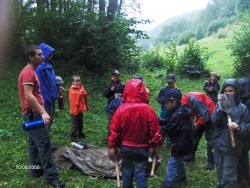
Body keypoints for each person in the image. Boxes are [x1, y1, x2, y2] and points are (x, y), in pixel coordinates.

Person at [18, 45, 65, 187]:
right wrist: (43, 111)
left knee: (33, 143)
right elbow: (28, 95)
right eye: (39, 54)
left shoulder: (32, 71)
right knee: (45, 145)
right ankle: (52, 178)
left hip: (31, 114)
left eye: (42, 54)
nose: (42, 56)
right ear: (30, 57)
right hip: (34, 114)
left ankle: (36, 171)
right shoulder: (29, 73)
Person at [108, 79, 163, 188]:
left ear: (127, 91)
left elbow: (114, 130)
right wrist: (154, 145)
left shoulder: (121, 109)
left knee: (127, 173)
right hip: (142, 148)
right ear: (143, 91)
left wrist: (112, 146)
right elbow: (155, 131)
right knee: (140, 174)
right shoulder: (148, 110)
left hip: (125, 148)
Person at [212, 78, 250, 188]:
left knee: (229, 174)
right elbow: (213, 120)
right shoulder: (219, 105)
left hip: (232, 146)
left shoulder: (242, 108)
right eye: (226, 91)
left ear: (237, 91)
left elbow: (247, 126)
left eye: (231, 91)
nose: (228, 93)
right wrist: (220, 112)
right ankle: (221, 184)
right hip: (219, 144)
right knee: (220, 171)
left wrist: (238, 127)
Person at [158, 89, 193, 188]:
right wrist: (159, 121)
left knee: (172, 163)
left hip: (180, 143)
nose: (165, 105)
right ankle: (182, 177)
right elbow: (170, 123)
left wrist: (155, 127)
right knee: (179, 160)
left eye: (166, 102)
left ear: (174, 102)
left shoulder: (177, 115)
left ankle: (167, 184)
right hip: (185, 141)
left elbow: (167, 130)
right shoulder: (180, 110)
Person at [36, 43, 64, 149]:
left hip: (52, 98)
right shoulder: (40, 68)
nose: (52, 55)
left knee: (50, 122)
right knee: (45, 123)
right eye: (50, 53)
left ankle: (47, 143)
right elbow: (42, 87)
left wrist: (57, 89)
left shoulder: (49, 66)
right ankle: (45, 145)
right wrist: (47, 101)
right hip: (45, 100)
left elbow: (51, 82)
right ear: (45, 54)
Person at [181, 92, 216, 170]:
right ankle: (190, 156)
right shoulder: (186, 100)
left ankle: (211, 163)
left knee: (210, 140)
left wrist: (199, 123)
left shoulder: (193, 99)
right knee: (194, 135)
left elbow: (205, 114)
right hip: (202, 115)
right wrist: (192, 119)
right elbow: (193, 110)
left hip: (211, 116)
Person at [237, 77, 250, 187]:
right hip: (246, 132)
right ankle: (246, 178)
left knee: (239, 156)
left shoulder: (245, 102)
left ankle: (242, 180)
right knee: (244, 156)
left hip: (244, 133)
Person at [69, 75, 88, 142]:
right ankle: (73, 136)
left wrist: (83, 91)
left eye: (79, 81)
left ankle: (80, 133)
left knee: (80, 122)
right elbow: (77, 96)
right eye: (76, 81)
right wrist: (81, 91)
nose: (78, 82)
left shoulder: (80, 88)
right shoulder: (72, 90)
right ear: (72, 82)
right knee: (74, 124)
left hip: (80, 109)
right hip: (74, 110)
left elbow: (85, 94)